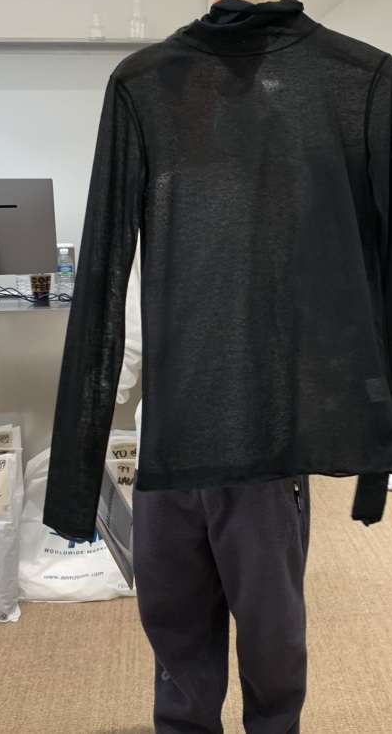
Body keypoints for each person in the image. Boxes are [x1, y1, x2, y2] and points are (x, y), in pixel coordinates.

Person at [116, 239, 311, 734]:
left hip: (260, 451)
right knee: (175, 619)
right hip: (167, 448)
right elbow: (125, 328)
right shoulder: (149, 221)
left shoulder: (286, 212)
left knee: (271, 626)